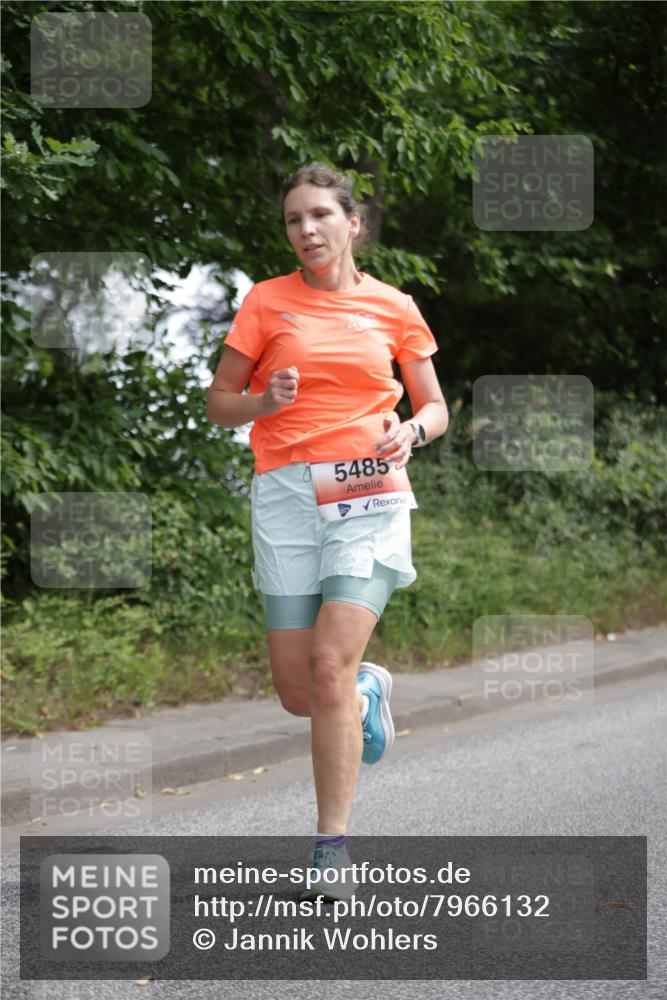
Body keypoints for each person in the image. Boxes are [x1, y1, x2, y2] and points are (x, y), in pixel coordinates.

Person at [206, 162, 448, 900]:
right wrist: (261, 401)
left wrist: (411, 432)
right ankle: (368, 693)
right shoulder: (265, 302)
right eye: (292, 220)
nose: (305, 230)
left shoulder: (393, 307)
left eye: (318, 215)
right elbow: (219, 403)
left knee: (326, 666)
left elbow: (435, 406)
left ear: (353, 223)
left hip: (366, 487)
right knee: (296, 689)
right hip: (283, 494)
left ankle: (330, 848)